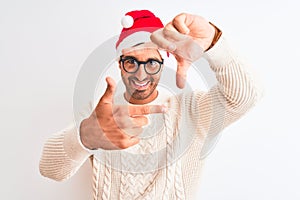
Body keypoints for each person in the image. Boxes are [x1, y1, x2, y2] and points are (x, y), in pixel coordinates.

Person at [40, 9, 260, 200]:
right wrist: (84, 136)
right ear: (119, 64)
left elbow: (245, 96)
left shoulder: (192, 109)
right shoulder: (101, 116)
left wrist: (213, 42)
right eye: (131, 62)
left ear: (163, 63)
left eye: (151, 62)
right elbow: (49, 169)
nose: (141, 73)